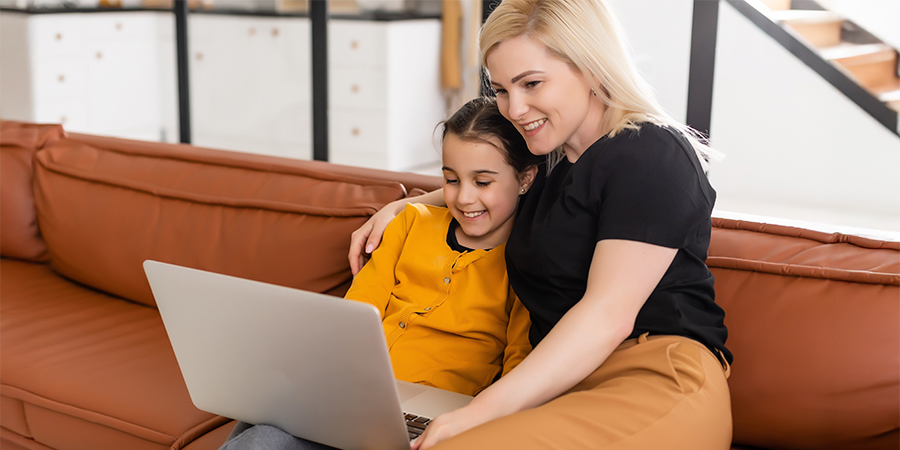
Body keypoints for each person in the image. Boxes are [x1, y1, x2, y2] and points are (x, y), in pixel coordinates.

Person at [349, 0, 734, 449]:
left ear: (591, 67)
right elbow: (489, 188)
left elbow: (606, 316)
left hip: (652, 375)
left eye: (532, 84)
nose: (515, 108)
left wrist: (481, 410)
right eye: (502, 90)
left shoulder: (650, 153)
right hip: (560, 384)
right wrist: (400, 207)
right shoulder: (550, 164)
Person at [220, 97, 542, 450]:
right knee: (269, 410)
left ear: (525, 179)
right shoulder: (410, 223)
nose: (464, 198)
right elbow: (356, 313)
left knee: (264, 440)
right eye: (451, 180)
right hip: (353, 390)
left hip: (433, 413)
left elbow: (519, 363)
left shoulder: (526, 263)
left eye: (482, 182)